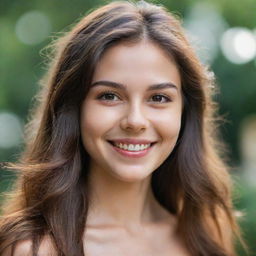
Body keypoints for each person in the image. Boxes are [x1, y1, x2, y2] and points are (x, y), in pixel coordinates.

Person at [0, 1, 242, 255]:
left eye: (158, 98)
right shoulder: (33, 249)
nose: (135, 121)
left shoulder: (203, 237)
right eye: (109, 96)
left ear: (185, 111)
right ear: (72, 108)